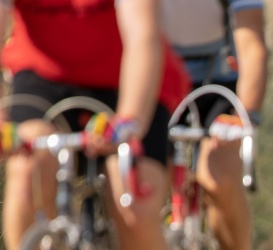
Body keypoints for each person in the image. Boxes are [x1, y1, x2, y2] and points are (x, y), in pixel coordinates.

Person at [0, 0, 190, 249]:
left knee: (133, 202)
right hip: (44, 77)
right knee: (27, 170)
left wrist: (128, 122)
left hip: (128, 81)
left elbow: (142, 36)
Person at [161, 0, 268, 249]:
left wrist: (245, 117)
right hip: (158, 78)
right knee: (145, 182)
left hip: (220, 83)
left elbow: (253, 49)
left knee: (218, 178)